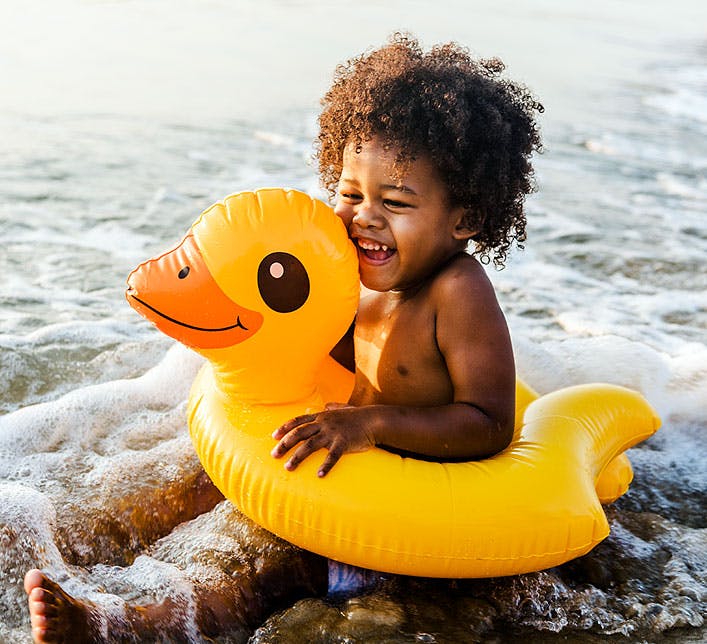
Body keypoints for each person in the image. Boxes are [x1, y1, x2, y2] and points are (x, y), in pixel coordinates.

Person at [24, 33, 542, 643]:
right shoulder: (355, 271)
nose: (363, 217)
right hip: (344, 462)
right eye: (350, 193)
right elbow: (318, 350)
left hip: (393, 518)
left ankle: (113, 629)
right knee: (190, 488)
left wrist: (369, 424)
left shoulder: (458, 292)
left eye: (396, 202)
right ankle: (62, 543)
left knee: (257, 574)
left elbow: (488, 422)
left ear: (465, 220)